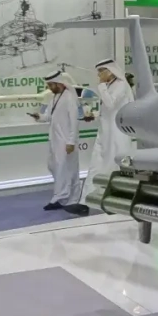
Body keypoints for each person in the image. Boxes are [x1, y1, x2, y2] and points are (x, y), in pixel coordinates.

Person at [29, 69, 84, 214]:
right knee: (55, 167)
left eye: (51, 85)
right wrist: (39, 117)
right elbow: (49, 116)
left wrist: (71, 141)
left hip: (66, 141)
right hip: (55, 140)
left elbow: (74, 121)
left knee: (67, 169)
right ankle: (62, 196)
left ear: (59, 83)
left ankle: (64, 198)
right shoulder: (54, 97)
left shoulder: (69, 98)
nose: (49, 88)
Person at [80, 59, 135, 203]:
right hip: (104, 132)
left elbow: (111, 104)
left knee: (113, 165)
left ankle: (114, 198)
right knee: (96, 164)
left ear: (110, 71)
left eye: (101, 72)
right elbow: (107, 110)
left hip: (116, 134)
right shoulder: (109, 86)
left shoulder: (121, 85)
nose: (98, 75)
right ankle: (87, 199)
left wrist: (101, 86)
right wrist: (94, 115)